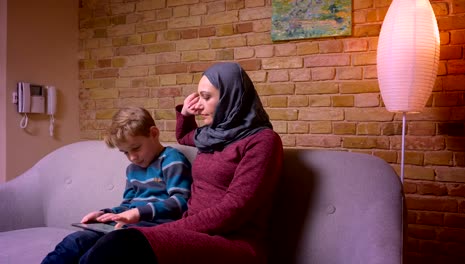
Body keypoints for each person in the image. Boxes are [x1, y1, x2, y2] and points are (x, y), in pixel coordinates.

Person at [80, 62, 284, 264]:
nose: (199, 105)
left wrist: (160, 230)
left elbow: (234, 210)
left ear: (231, 97)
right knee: (90, 242)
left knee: (121, 244)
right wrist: (185, 113)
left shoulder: (263, 141)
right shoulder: (212, 135)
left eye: (206, 97)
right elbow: (185, 136)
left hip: (232, 241)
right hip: (192, 232)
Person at [41, 107, 192, 264]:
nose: (132, 157)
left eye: (136, 148)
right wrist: (105, 214)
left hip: (148, 230)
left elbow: (181, 201)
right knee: (73, 242)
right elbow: (127, 205)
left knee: (93, 256)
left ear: (153, 133)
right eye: (125, 152)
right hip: (122, 226)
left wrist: (138, 213)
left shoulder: (171, 159)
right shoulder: (132, 169)